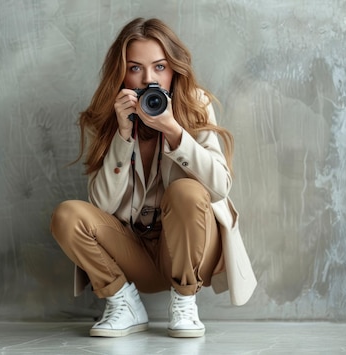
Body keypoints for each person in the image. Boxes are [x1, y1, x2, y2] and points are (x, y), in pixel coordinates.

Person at [50, 17, 257, 338]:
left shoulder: (195, 104)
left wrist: (174, 131)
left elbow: (220, 188)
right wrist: (122, 134)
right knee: (67, 215)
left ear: (175, 69)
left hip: (192, 251)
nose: (149, 79)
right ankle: (123, 303)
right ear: (121, 73)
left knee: (187, 191)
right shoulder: (110, 114)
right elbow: (101, 204)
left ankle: (186, 302)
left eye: (160, 67)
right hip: (135, 254)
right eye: (135, 68)